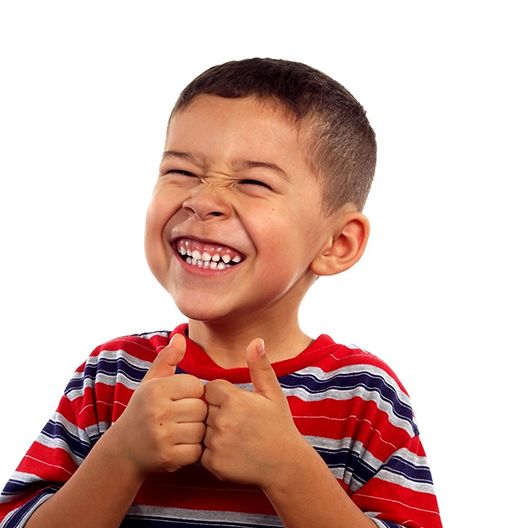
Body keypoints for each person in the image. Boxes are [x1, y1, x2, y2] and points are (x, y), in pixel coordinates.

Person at [0, 58, 442, 528]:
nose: (202, 200)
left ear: (337, 243)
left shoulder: (365, 398)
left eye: (253, 182)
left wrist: (289, 470)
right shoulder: (109, 378)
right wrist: (119, 457)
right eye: (181, 171)